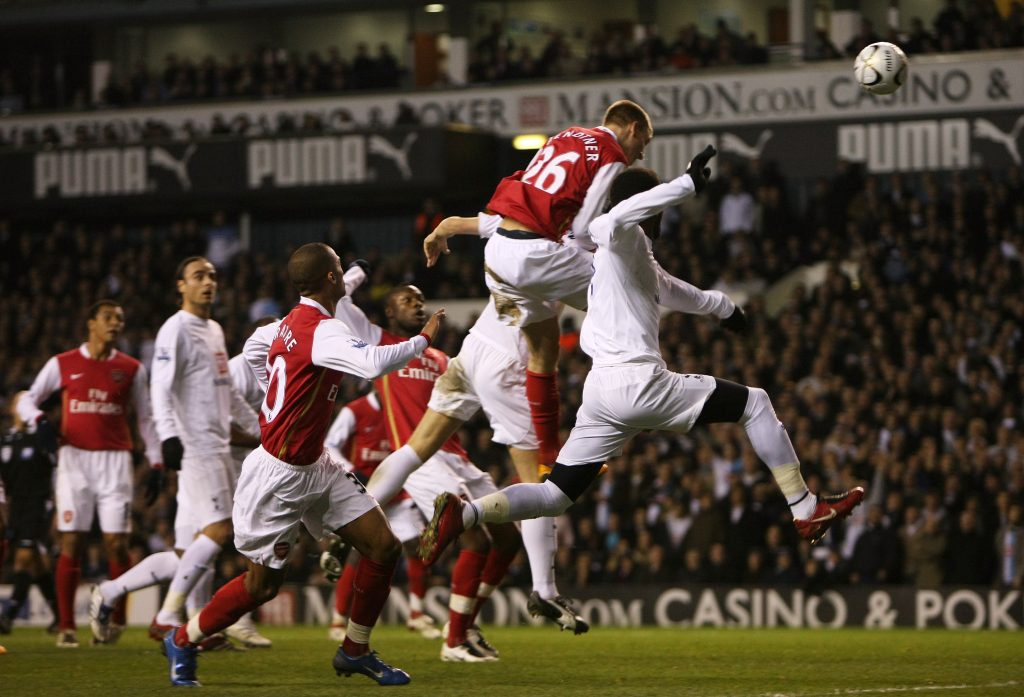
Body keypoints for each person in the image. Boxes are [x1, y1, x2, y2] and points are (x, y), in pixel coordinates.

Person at [420, 149, 866, 566]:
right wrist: (686, 185)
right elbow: (615, 218)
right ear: (648, 205)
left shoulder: (634, 259)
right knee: (756, 403)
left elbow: (677, 291)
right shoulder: (614, 234)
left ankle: (467, 515)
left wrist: (726, 310)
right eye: (658, 206)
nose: (662, 216)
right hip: (639, 383)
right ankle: (806, 508)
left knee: (555, 494)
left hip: (601, 395)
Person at [161, 243, 442, 687]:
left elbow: (255, 355)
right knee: (262, 588)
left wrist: (278, 400)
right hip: (278, 476)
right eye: (339, 270)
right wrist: (423, 338)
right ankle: (182, 636)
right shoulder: (322, 331)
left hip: (317, 464)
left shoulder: (281, 327)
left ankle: (355, 649)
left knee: (384, 547)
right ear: (331, 278)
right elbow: (371, 364)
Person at [369, 212, 586, 634]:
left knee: (416, 448)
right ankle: (545, 590)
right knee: (543, 485)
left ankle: (354, 519)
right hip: (507, 364)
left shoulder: (522, 221)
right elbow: (555, 344)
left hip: (471, 350)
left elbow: (455, 224)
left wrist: (435, 235)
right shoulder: (575, 254)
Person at [425, 99, 653, 475]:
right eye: (644, 139)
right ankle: (608, 424)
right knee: (623, 304)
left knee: (545, 352)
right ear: (630, 128)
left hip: (502, 254)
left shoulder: (564, 136)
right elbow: (581, 230)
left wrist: (454, 224)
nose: (642, 151)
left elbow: (525, 205)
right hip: (537, 260)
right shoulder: (612, 154)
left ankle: (551, 458)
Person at [336, 284, 522, 662]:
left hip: (456, 455)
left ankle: (466, 625)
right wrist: (355, 276)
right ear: (389, 313)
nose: (417, 306)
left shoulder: (440, 358)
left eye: (420, 300)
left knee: (508, 539)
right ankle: (453, 641)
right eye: (407, 301)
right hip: (420, 461)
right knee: (476, 543)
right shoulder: (382, 344)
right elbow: (342, 306)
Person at [16, 300, 162, 648]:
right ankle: (67, 626)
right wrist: (38, 421)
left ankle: (115, 620)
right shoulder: (63, 363)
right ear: (92, 323)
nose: (115, 324)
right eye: (108, 318)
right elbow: (27, 399)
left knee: (117, 542)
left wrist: (156, 462)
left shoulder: (131, 369)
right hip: (74, 461)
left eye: (120, 319)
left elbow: (146, 419)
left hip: (115, 462)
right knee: (72, 541)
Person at [145, 257, 261, 640]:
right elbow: (160, 387)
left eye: (212, 276)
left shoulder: (213, 329)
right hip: (195, 446)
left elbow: (227, 392)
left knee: (190, 545)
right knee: (217, 529)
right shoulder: (174, 329)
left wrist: (263, 429)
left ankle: (186, 619)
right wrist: (168, 437)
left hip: (218, 445)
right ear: (181, 285)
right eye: (199, 277)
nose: (208, 282)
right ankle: (168, 614)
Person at [324, 390, 440, 641]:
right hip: (365, 490)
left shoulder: (403, 405)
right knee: (358, 554)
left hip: (399, 494)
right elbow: (330, 444)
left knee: (417, 547)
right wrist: (351, 469)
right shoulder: (354, 410)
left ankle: (417, 614)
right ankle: (338, 620)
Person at [0, 393, 60, 635]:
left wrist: (57, 504)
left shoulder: (42, 439)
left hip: (38, 504)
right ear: (13, 409)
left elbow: (57, 471)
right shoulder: (5, 439)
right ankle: (60, 614)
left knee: (23, 557)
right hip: (14, 506)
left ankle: (9, 616)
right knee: (35, 564)